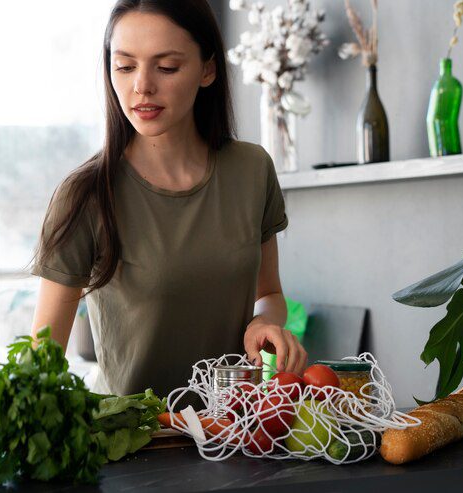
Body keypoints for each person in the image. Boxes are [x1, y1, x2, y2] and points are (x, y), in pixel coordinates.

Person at [30, 0, 307, 399]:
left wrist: (262, 325)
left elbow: (269, 295)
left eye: (167, 67)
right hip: (127, 443)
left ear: (207, 69)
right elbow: (41, 363)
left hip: (230, 434)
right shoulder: (85, 194)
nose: (142, 85)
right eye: (125, 66)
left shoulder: (252, 170)